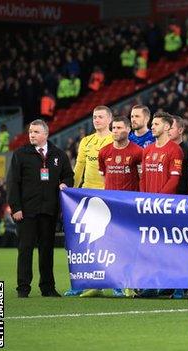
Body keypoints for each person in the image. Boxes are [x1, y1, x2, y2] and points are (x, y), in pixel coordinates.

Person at [7, 119, 74, 298]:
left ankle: (48, 287)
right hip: (26, 211)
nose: (32, 135)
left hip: (49, 211)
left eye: (36, 132)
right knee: (25, 250)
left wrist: (65, 184)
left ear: (46, 134)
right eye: (30, 132)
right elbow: (13, 183)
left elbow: (68, 176)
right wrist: (15, 208)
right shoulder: (20, 154)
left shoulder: (58, 155)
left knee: (47, 251)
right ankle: (23, 288)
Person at [67, 105, 113, 297]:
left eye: (100, 117)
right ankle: (83, 283)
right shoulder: (86, 141)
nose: (96, 120)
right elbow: (78, 169)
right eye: (94, 117)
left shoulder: (115, 139)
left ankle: (115, 284)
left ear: (109, 120)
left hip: (109, 196)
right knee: (85, 242)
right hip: (87, 195)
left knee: (110, 242)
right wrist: (71, 192)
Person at [137, 112, 184, 299]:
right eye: (152, 124)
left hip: (166, 207)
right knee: (150, 248)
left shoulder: (174, 150)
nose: (152, 127)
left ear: (166, 127)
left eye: (156, 124)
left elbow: (174, 178)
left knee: (170, 249)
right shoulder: (147, 150)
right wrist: (144, 199)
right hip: (149, 207)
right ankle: (150, 285)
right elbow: (143, 178)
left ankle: (177, 286)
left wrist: (159, 200)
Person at [97, 115, 143, 298]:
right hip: (109, 208)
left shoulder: (138, 152)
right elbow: (103, 176)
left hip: (129, 207)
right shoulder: (104, 152)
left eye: (119, 128)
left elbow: (141, 178)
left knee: (129, 247)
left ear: (128, 130)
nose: (115, 131)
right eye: (113, 128)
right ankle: (108, 283)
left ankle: (129, 283)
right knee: (109, 247)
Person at [168, 115, 188, 196]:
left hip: (181, 196)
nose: (168, 130)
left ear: (180, 130)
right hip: (163, 195)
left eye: (171, 128)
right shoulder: (162, 149)